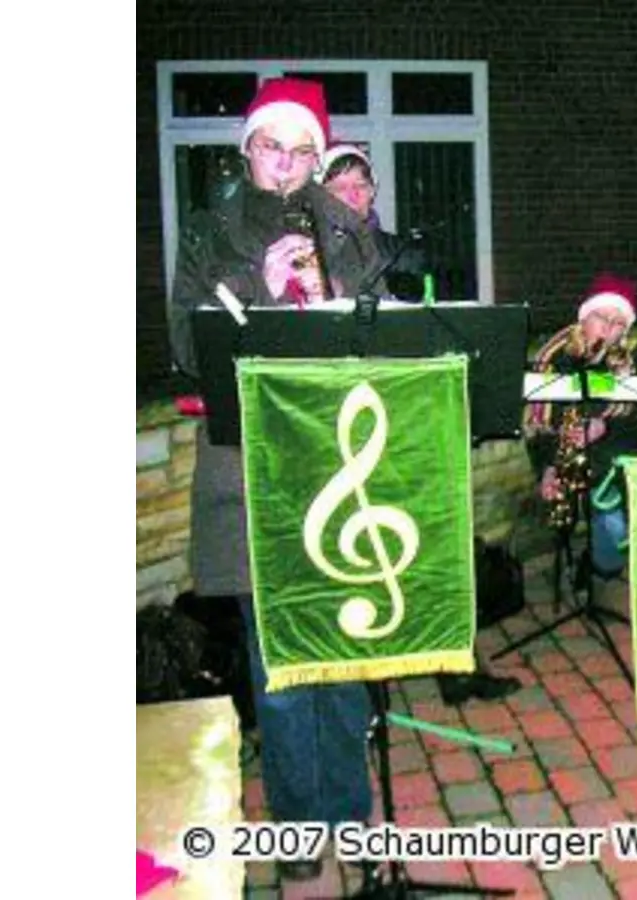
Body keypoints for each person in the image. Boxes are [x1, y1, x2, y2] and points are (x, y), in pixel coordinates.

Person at [166, 77, 381, 884]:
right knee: (282, 666)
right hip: (253, 471)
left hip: (338, 465)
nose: (285, 165)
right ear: (247, 149)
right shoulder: (208, 231)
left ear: (317, 159)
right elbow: (186, 342)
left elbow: (379, 337)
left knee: (344, 651)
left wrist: (337, 298)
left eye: (301, 151)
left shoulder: (346, 228)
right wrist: (259, 285)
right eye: (271, 147)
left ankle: (349, 815)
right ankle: (300, 830)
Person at [525, 273, 637, 579]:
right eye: (601, 317)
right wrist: (548, 467)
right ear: (583, 317)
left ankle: (605, 563)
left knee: (612, 529)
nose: (609, 328)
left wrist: (603, 426)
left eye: (618, 323)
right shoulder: (553, 356)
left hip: (616, 458)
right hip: (565, 454)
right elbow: (539, 423)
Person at [320, 143, 432, 300]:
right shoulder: (303, 252)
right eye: (340, 188)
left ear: (372, 191)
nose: (353, 196)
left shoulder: (401, 253)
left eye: (360, 186)